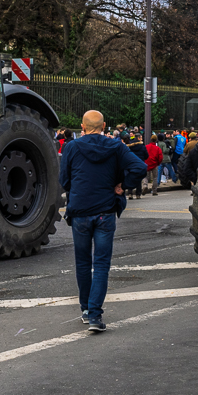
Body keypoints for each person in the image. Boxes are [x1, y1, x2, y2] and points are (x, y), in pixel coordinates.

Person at [60, 110, 147, 332]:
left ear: (82, 126)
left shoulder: (71, 147)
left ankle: (85, 310)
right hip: (105, 211)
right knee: (101, 265)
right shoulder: (116, 146)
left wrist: (79, 189)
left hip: (80, 211)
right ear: (104, 125)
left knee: (82, 263)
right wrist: (122, 185)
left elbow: (64, 181)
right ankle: (95, 315)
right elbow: (140, 167)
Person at [125, 134, 148, 199]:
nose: (142, 138)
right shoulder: (142, 146)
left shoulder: (130, 146)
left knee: (130, 178)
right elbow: (146, 155)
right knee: (138, 179)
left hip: (131, 163)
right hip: (140, 164)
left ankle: (130, 193)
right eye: (141, 137)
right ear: (138, 138)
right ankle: (138, 194)